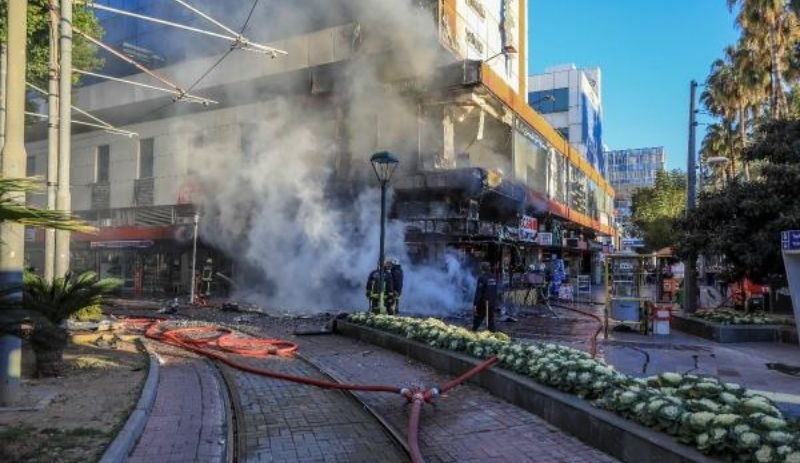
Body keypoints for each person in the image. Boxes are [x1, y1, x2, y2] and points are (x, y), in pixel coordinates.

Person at [472, 262, 500, 332]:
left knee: (478, 317)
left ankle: (473, 331)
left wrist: (475, 303)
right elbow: (495, 290)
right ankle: (492, 332)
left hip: (484, 302)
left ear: (481, 268)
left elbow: (479, 292)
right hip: (492, 301)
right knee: (490, 318)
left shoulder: (482, 278)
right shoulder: (493, 277)